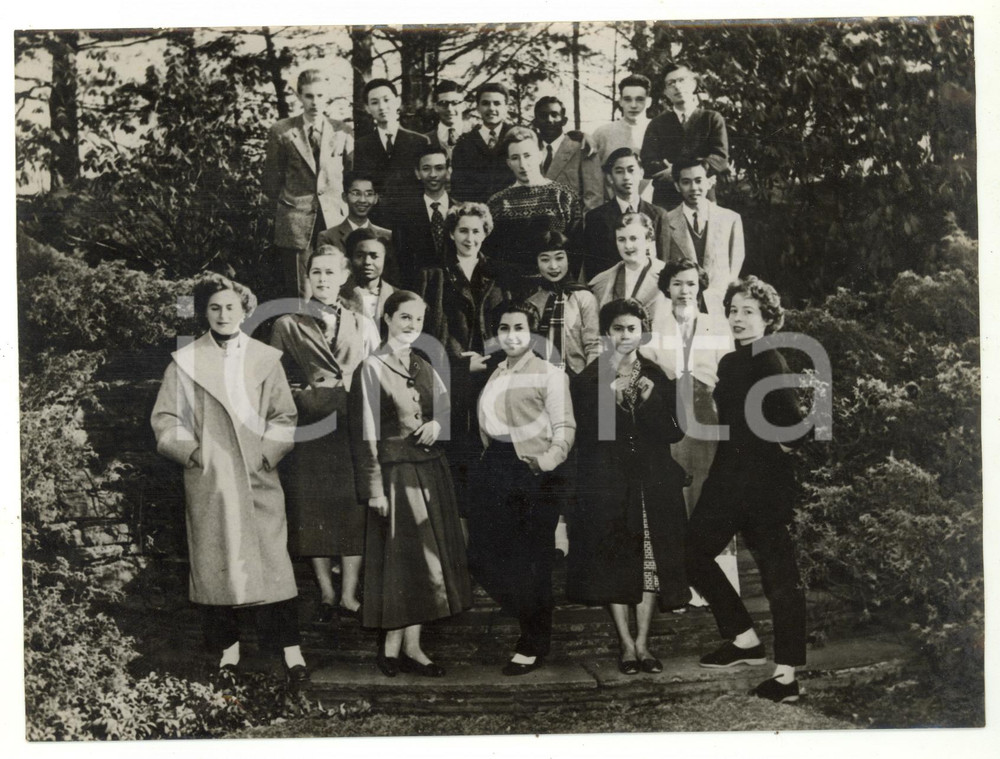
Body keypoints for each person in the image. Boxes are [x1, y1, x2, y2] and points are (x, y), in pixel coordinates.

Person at [150, 274, 308, 683]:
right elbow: (166, 420)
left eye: (230, 307)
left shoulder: (264, 358)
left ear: (245, 310)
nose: (223, 315)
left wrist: (267, 455)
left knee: (273, 564)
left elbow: (284, 416)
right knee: (217, 568)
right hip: (213, 481)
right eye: (214, 308)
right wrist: (194, 453)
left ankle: (291, 653)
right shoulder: (185, 361)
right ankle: (228, 653)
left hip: (258, 475)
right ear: (204, 312)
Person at [685, 276, 808, 703]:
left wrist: (774, 448)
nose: (738, 318)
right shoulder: (732, 362)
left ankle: (787, 675)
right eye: (733, 310)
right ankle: (744, 640)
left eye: (748, 312)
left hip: (764, 488)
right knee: (690, 552)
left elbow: (796, 428)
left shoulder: (769, 361)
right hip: (728, 481)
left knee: (780, 579)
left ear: (768, 319)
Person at [351, 290, 472, 677]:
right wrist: (373, 489)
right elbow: (364, 434)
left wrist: (438, 424)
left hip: (431, 474)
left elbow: (446, 410)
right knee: (400, 563)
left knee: (427, 561)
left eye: (417, 320)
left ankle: (414, 647)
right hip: (395, 476)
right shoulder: (371, 368)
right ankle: (390, 648)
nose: (411, 325)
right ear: (387, 318)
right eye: (404, 317)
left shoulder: (423, 363)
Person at [568, 298, 688, 674]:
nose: (624, 335)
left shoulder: (659, 374)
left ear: (643, 332)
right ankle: (624, 644)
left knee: (649, 561)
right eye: (617, 329)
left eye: (631, 328)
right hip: (608, 484)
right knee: (613, 562)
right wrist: (613, 402)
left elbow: (674, 431)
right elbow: (586, 437)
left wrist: (650, 401)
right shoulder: (590, 377)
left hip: (651, 483)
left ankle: (643, 644)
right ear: (606, 333)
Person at [270, 246, 378, 624]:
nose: (322, 279)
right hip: (311, 427)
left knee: (352, 508)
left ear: (345, 277)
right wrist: (307, 397)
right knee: (312, 507)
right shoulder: (287, 324)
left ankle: (349, 593)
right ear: (307, 277)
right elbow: (274, 379)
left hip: (352, 425)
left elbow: (377, 370)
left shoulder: (362, 323)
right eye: (316, 272)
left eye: (330, 273)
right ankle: (326, 590)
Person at [470, 301, 576, 675]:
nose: (511, 335)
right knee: (480, 555)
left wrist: (545, 462)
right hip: (496, 467)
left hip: (535, 473)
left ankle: (532, 643)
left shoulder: (549, 373)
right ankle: (532, 615)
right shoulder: (496, 371)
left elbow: (565, 428)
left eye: (519, 327)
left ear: (532, 332)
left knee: (532, 562)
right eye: (503, 328)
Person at [649, 260, 738, 599]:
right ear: (666, 289)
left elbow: (728, 377)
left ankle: (716, 585)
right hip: (671, 418)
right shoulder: (655, 331)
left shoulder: (715, 325)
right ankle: (682, 586)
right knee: (677, 496)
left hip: (708, 413)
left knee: (710, 495)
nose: (684, 291)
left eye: (690, 284)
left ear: (699, 287)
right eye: (676, 284)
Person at [419, 202, 513, 513]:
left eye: (476, 231)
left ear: (485, 233)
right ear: (450, 233)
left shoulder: (499, 273)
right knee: (458, 455)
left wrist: (487, 358)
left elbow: (509, 323)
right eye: (462, 230)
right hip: (450, 377)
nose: (469, 238)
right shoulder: (433, 276)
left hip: (492, 373)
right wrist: (459, 364)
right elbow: (427, 332)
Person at [262, 70, 353, 299]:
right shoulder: (282, 131)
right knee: (300, 291)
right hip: (295, 221)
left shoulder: (343, 132)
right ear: (300, 97)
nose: (315, 102)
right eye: (309, 96)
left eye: (320, 95)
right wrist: (288, 208)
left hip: (333, 217)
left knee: (335, 284)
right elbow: (272, 180)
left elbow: (352, 176)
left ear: (327, 97)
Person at [486, 126, 583, 279]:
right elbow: (493, 255)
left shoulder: (564, 196)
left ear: (540, 156)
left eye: (527, 155)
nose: (523, 164)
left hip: (557, 285)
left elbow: (576, 249)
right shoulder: (497, 203)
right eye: (515, 158)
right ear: (508, 163)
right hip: (512, 288)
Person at [640, 63, 728, 210]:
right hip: (666, 198)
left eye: (682, 80)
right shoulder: (657, 124)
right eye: (671, 83)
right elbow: (648, 161)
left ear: (693, 84)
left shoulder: (711, 118)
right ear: (666, 91)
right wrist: (672, 173)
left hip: (702, 195)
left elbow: (720, 158)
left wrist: (681, 171)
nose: (677, 86)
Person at [352, 78, 430, 228]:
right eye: (374, 102)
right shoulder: (361, 146)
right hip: (377, 222)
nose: (382, 107)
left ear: (397, 102)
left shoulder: (419, 142)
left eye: (387, 100)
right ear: (367, 108)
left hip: (414, 222)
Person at [583, 147, 670, 277]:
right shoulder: (596, 218)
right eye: (619, 171)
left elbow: (663, 262)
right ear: (610, 178)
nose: (626, 177)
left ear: (641, 173)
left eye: (631, 170)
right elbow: (593, 269)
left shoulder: (658, 215)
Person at [665, 158, 745, 298]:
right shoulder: (666, 221)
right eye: (686, 182)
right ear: (677, 186)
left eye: (698, 180)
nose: (694, 188)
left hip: (718, 303)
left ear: (709, 182)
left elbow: (734, 267)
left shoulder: (730, 219)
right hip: (683, 302)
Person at [525, 230, 600, 376]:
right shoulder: (532, 302)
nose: (553, 266)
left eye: (559, 258)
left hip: (579, 377)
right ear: (536, 262)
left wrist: (587, 382)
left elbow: (594, 345)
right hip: (542, 379)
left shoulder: (583, 297)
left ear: (569, 259)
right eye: (545, 259)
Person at [317, 170, 400, 286]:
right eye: (356, 193)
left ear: (376, 198)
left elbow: (392, 277)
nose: (362, 200)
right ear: (344, 197)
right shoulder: (328, 237)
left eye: (369, 194)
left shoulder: (386, 236)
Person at [392, 144, 454, 288]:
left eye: (439, 168)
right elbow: (401, 263)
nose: (433, 174)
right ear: (417, 173)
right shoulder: (403, 216)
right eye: (426, 168)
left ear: (448, 171)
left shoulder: (461, 211)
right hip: (420, 292)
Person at [589, 211, 667, 319]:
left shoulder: (669, 275)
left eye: (633, 238)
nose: (628, 246)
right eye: (621, 240)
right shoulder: (600, 282)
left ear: (648, 239)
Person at [532, 96, 604, 211]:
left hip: (572, 226)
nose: (549, 120)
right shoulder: (529, 150)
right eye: (543, 115)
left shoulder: (583, 148)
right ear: (535, 122)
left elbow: (594, 198)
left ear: (564, 120)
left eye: (554, 115)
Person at [590, 74, 653, 199]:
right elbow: (592, 178)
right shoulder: (603, 133)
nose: (633, 105)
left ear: (649, 101)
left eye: (640, 99)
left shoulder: (660, 130)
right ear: (620, 101)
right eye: (628, 99)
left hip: (653, 208)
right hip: (613, 208)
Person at [450, 82, 516, 203]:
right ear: (478, 107)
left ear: (506, 107)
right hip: (478, 214)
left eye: (497, 103)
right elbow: (459, 189)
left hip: (513, 211)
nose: (491, 108)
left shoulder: (516, 138)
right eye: (485, 103)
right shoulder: (464, 144)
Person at [339, 227, 397, 324]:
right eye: (360, 256)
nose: (367, 262)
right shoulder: (338, 295)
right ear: (350, 258)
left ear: (385, 259)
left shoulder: (397, 296)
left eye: (374, 256)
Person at [425, 79, 469, 160]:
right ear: (435, 107)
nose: (449, 109)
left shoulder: (478, 135)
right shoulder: (424, 140)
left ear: (464, 106)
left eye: (455, 103)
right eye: (443, 103)